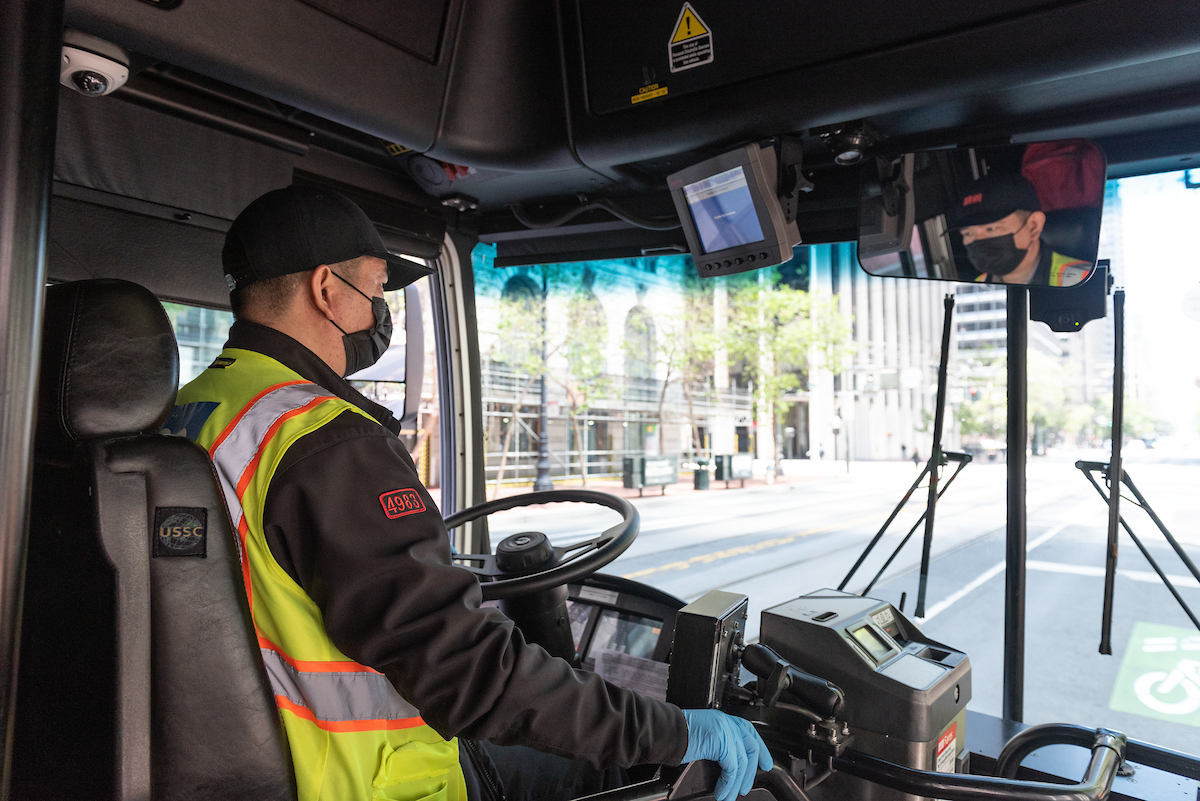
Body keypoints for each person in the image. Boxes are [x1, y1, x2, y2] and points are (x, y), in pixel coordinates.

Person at [164, 186, 770, 801]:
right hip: (368, 777)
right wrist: (673, 733)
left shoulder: (191, 413)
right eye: (375, 290)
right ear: (326, 290)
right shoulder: (324, 438)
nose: (379, 311)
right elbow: (466, 670)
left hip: (255, 759)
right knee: (616, 769)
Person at [956, 173, 1092, 287]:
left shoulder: (1085, 281)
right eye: (969, 233)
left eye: (991, 228)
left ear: (1033, 226)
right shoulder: (976, 287)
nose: (978, 241)